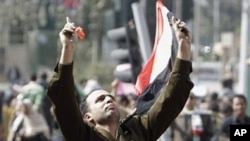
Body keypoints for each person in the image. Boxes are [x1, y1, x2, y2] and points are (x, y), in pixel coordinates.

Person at [47, 16, 193, 141]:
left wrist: (184, 47)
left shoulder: (139, 130)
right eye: (100, 100)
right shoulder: (83, 136)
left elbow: (171, 99)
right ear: (88, 117)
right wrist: (67, 49)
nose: (109, 99)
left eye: (110, 97)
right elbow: (63, 100)